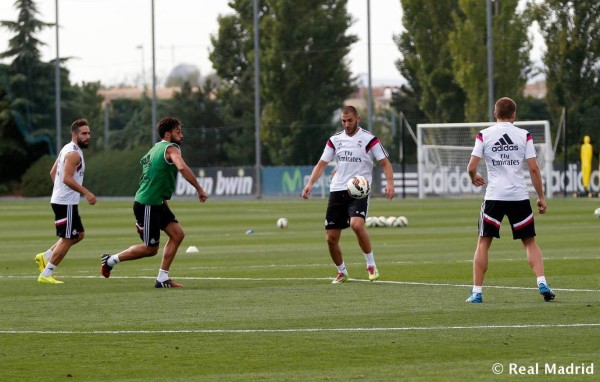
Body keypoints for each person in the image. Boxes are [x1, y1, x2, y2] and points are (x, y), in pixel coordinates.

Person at [100, 117, 208, 288]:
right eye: (178, 132)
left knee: (178, 235)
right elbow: (182, 167)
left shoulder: (154, 149)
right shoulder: (171, 149)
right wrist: (199, 189)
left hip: (156, 203)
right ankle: (110, 261)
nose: (182, 135)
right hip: (148, 204)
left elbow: (153, 176)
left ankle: (162, 278)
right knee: (150, 249)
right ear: (168, 134)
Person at [466, 97, 555, 303]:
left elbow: (471, 167)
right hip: (519, 196)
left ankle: (477, 292)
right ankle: (541, 281)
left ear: (495, 114)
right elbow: (533, 168)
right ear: (514, 115)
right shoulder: (524, 135)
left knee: (483, 244)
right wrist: (541, 197)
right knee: (529, 242)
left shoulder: (484, 135)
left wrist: (474, 177)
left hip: (494, 196)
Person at [302, 105, 395, 284]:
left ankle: (371, 264)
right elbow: (322, 164)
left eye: (349, 120)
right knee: (331, 239)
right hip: (337, 190)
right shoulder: (335, 140)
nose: (346, 124)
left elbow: (385, 163)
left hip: (359, 190)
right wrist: (310, 184)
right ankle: (342, 271)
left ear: (357, 119)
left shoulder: (369, 139)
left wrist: (390, 184)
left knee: (356, 225)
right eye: (343, 121)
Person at [36, 119, 96, 284]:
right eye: (84, 133)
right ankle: (46, 273)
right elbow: (67, 179)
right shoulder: (73, 153)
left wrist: (59, 191)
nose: (87, 136)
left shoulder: (68, 148)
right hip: (65, 203)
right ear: (74, 134)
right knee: (69, 238)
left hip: (65, 200)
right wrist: (87, 193)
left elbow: (52, 173)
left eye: (89, 133)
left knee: (79, 235)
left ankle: (45, 256)